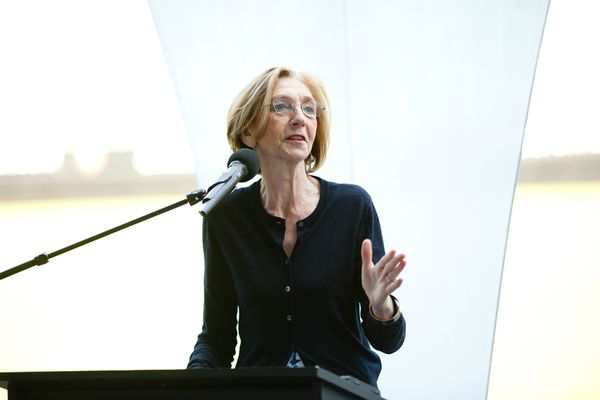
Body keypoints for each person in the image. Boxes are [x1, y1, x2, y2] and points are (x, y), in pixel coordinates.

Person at [187, 67, 406, 388]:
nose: (299, 118)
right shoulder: (226, 216)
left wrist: (379, 306)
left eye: (309, 108)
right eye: (281, 106)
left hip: (345, 392)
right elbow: (216, 339)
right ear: (249, 131)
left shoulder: (352, 206)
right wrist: (188, 385)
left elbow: (388, 341)